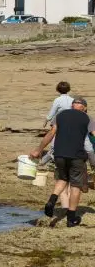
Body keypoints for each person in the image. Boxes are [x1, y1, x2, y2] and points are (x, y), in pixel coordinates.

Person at [31, 97, 91, 227]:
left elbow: (51, 133)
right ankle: (71, 219)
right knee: (75, 185)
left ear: (72, 106)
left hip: (59, 154)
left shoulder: (60, 115)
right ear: (84, 108)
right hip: (77, 156)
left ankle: (51, 201)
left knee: (62, 179)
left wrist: (39, 150)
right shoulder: (88, 119)